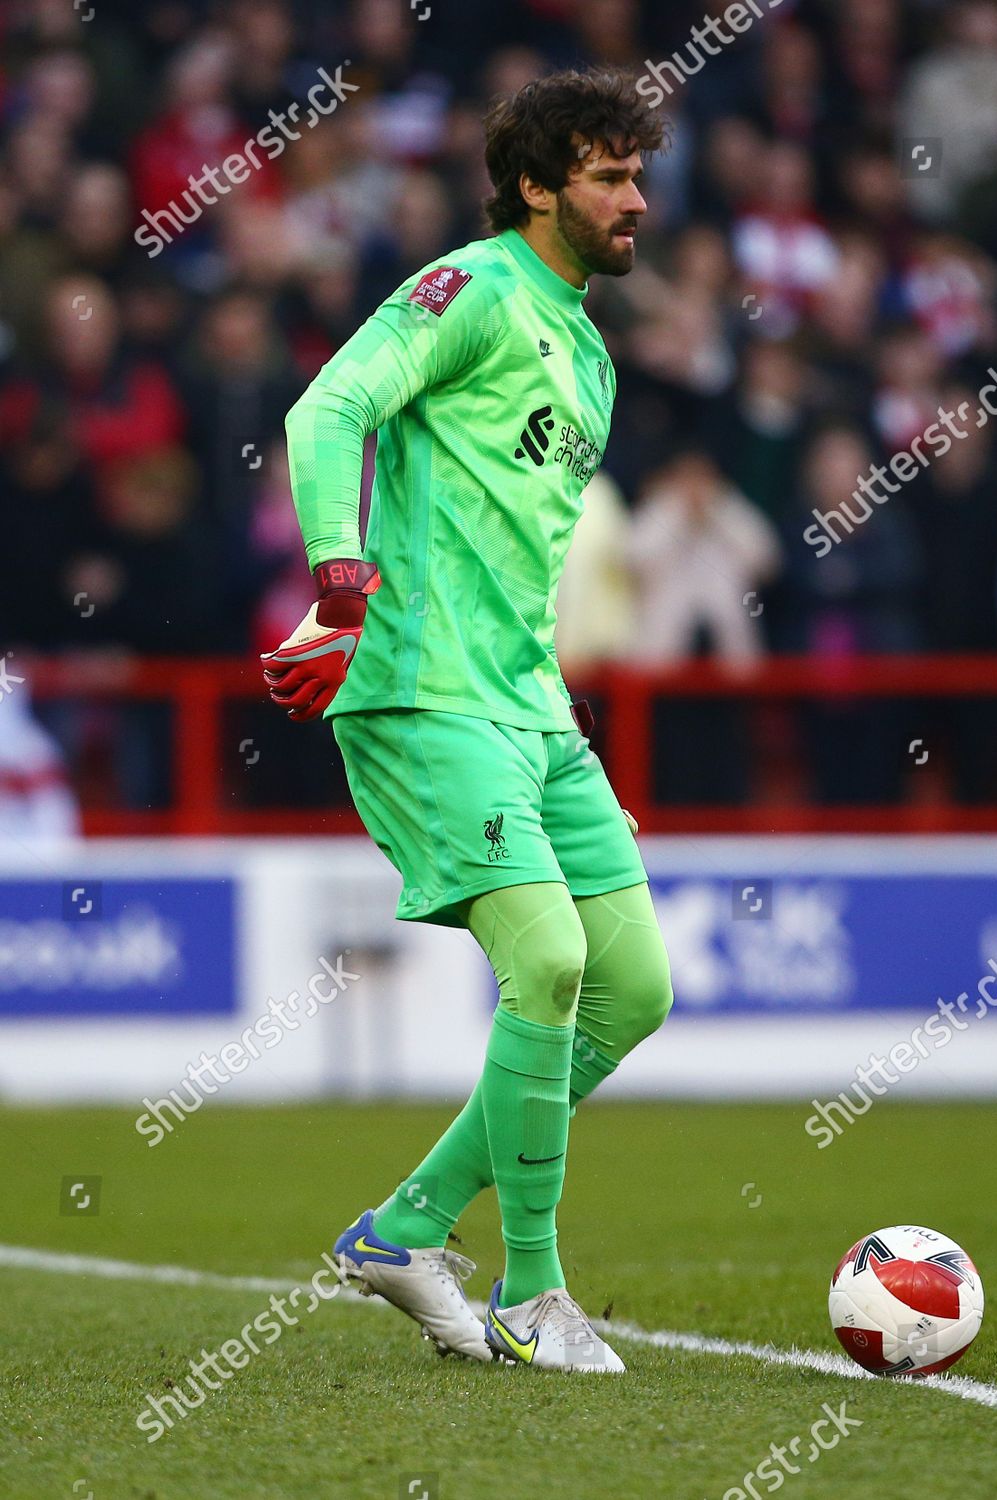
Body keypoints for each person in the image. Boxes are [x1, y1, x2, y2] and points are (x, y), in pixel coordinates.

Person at [261, 69, 671, 1373]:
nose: (636, 199)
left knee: (635, 988)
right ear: (540, 184)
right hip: (424, 686)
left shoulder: (595, 355)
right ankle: (536, 1291)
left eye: (638, 174)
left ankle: (408, 1227)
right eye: (607, 175)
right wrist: (339, 581)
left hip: (533, 704)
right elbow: (329, 406)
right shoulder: (472, 289)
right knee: (548, 963)